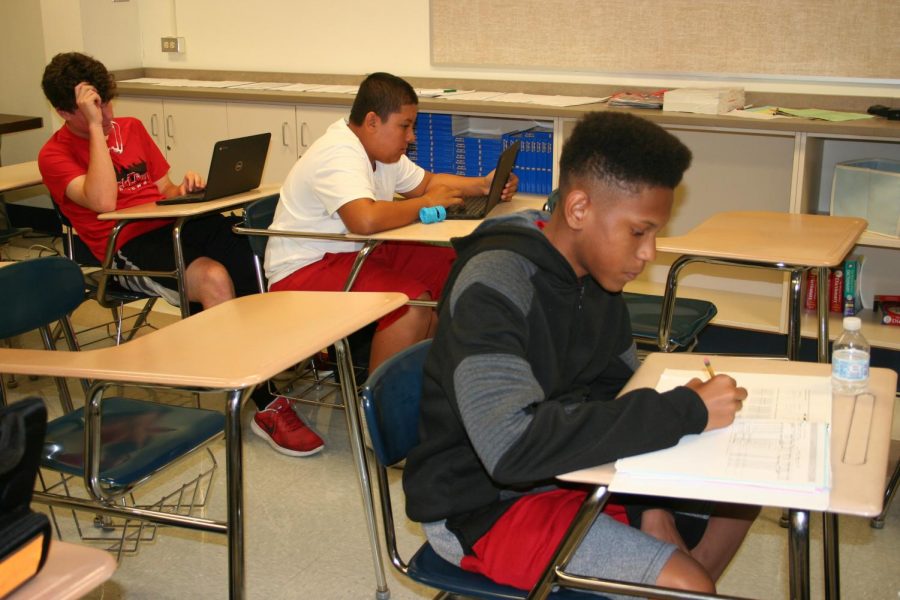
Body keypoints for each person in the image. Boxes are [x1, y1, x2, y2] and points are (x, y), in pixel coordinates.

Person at [402, 111, 758, 596]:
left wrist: (648, 506)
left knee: (740, 498)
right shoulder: (494, 285)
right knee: (689, 583)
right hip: (484, 503)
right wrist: (686, 411)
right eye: (639, 231)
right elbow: (512, 448)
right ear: (578, 210)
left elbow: (620, 393)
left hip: (574, 469)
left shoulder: (597, 280)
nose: (650, 253)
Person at [257, 72, 517, 457]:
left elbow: (426, 182)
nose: (411, 136)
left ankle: (429, 390)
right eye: (406, 126)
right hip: (304, 270)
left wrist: (481, 184)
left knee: (455, 266)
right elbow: (363, 220)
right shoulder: (339, 153)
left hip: (353, 251)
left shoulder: (380, 150)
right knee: (410, 304)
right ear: (373, 121)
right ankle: (379, 417)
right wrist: (429, 204)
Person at [38, 52, 258, 312]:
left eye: (106, 103)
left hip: (174, 224)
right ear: (63, 112)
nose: (106, 115)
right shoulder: (54, 155)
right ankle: (224, 352)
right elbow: (104, 202)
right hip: (125, 244)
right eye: (92, 110)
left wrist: (185, 190)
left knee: (255, 253)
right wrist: (97, 130)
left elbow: (165, 190)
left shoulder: (132, 128)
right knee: (213, 278)